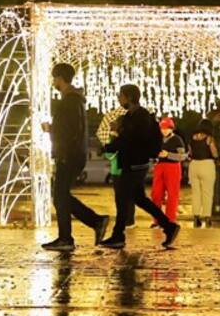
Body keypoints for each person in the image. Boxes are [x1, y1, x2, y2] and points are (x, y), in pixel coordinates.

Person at [100, 84, 180, 249]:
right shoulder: (133, 116)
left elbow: (130, 140)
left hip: (135, 163)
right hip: (134, 162)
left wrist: (111, 145)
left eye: (120, 95)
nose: (118, 99)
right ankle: (168, 226)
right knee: (139, 198)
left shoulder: (140, 116)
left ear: (129, 97)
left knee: (123, 198)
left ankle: (118, 235)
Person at [40, 63, 109, 251]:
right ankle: (89, 225)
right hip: (72, 153)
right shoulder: (74, 100)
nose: (53, 82)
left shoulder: (69, 101)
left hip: (68, 155)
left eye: (54, 79)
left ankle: (72, 235)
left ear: (60, 78)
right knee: (61, 196)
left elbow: (69, 130)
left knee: (59, 196)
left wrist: (50, 130)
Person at [151, 117, 185, 226]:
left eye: (166, 128)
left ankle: (170, 219)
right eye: (162, 128)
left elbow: (182, 156)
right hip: (159, 166)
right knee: (156, 194)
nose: (164, 131)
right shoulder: (157, 139)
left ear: (171, 129)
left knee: (172, 194)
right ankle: (157, 219)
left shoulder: (177, 140)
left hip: (173, 167)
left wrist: (168, 155)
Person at [188, 118, 220, 227]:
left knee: (196, 193)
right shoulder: (209, 139)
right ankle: (207, 217)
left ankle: (196, 217)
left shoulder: (193, 137)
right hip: (207, 164)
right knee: (207, 193)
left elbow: (190, 152)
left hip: (194, 165)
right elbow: (214, 153)